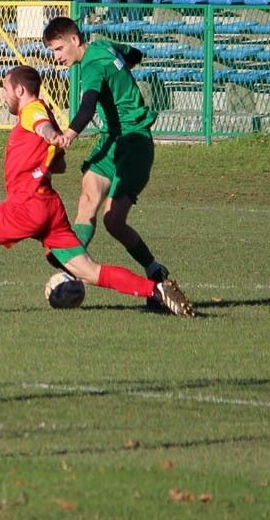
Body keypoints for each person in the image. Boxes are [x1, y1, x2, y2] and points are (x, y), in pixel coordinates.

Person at [0, 65, 193, 317]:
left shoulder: (33, 111)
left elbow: (41, 124)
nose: (2, 95)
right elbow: (58, 166)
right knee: (87, 270)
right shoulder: (39, 114)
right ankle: (157, 289)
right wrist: (50, 150)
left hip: (24, 207)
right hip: (48, 207)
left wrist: (52, 135)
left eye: (4, 89)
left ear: (19, 89)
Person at [42, 16, 175, 310]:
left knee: (113, 221)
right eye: (53, 51)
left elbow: (88, 105)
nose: (57, 57)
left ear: (75, 40)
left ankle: (155, 271)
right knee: (87, 200)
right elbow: (133, 54)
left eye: (59, 49)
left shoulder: (91, 65)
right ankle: (70, 267)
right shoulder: (102, 45)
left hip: (135, 142)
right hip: (111, 139)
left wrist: (69, 134)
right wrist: (126, 69)